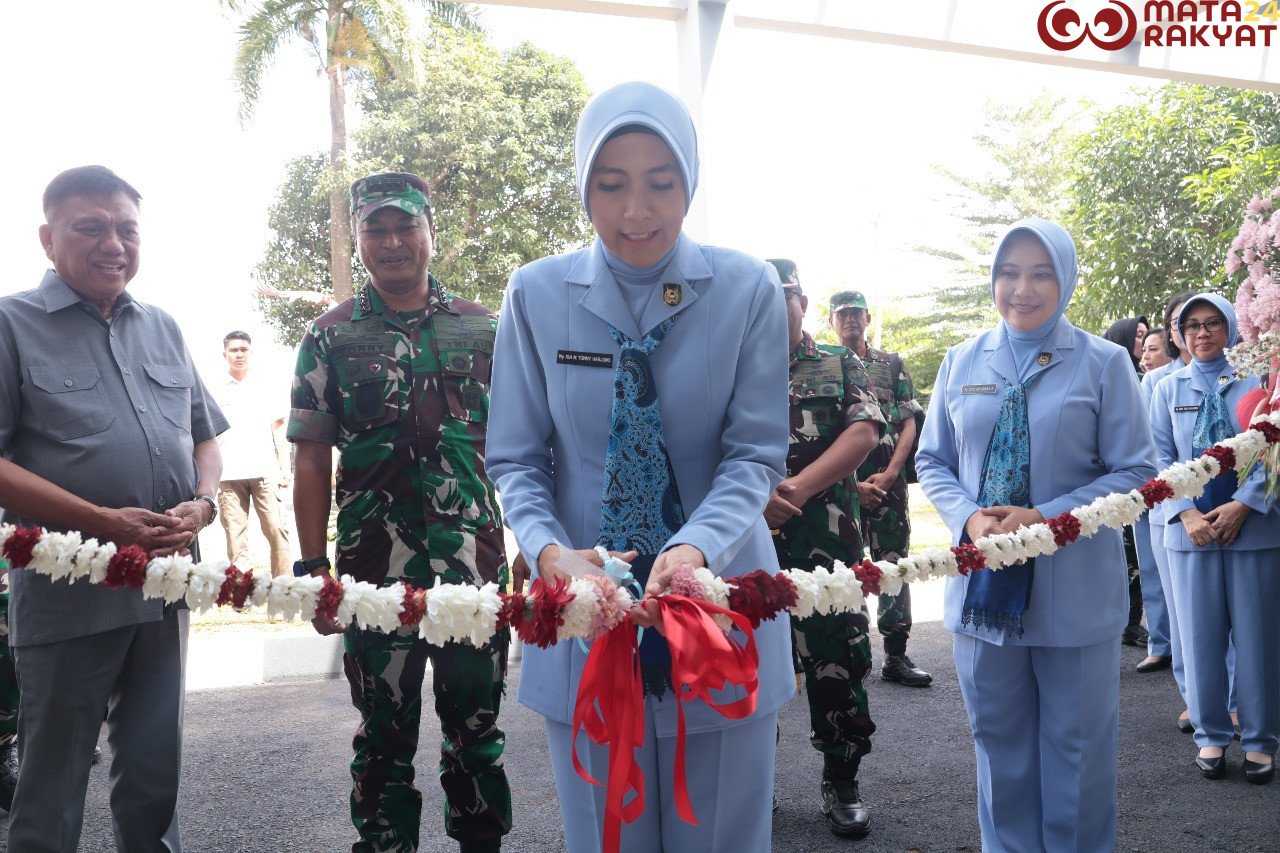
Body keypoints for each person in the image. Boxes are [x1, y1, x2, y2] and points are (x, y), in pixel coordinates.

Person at [487, 82, 793, 852]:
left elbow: (754, 452)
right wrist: (551, 554)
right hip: (588, 613)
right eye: (610, 183)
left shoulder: (745, 288)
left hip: (716, 604)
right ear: (582, 185)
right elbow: (517, 459)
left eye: (662, 182)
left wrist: (693, 550)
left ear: (691, 178)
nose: (636, 211)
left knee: (722, 833)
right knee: (606, 836)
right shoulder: (535, 293)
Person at [0, 165, 228, 851]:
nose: (113, 244)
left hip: (165, 589)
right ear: (48, 238)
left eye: (127, 229)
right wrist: (102, 522)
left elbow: (204, 435)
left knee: (155, 776)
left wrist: (204, 503)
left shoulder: (160, 326)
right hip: (72, 594)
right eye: (90, 228)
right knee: (53, 786)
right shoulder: (11, 324)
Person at [289, 172, 511, 853]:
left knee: (476, 724)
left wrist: (536, 540)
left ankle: (481, 840)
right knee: (383, 732)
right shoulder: (328, 337)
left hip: (471, 566)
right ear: (358, 239)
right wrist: (312, 567)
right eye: (375, 229)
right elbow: (309, 459)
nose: (391, 242)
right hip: (370, 572)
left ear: (430, 232)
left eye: (404, 226)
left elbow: (524, 446)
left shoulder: (485, 327)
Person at [916, 218, 1155, 851]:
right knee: (998, 746)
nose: (1022, 288)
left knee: (1077, 754)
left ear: (1066, 279)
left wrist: (1045, 517)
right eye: (1009, 272)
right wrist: (969, 516)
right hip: (984, 592)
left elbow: (1136, 470)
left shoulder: (1104, 364)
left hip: (1073, 591)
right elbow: (933, 460)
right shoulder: (961, 360)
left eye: (1041, 273)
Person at [766, 261, 884, 838]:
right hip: (749, 544)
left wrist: (793, 489)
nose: (770, 307)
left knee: (837, 657)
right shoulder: (729, 365)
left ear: (803, 301)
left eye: (782, 296)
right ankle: (752, 779)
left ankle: (842, 778)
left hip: (827, 542)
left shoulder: (839, 363)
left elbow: (863, 432)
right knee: (751, 662)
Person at [1150, 293, 1279, 784]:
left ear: (1230, 327)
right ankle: (1210, 734)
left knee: (1258, 639)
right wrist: (1185, 514)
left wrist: (1246, 504)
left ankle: (1261, 740)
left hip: (1255, 529)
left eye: (1212, 323)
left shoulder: (1260, 381)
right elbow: (1158, 457)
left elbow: (1273, 448)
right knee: (1198, 639)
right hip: (1192, 535)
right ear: (1181, 334)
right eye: (1192, 326)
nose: (1202, 333)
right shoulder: (1166, 388)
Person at [830, 289, 932, 687]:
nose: (850, 320)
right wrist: (851, 486)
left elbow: (908, 423)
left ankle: (896, 656)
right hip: (841, 491)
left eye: (857, 313)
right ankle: (847, 656)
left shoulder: (891, 365)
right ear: (831, 322)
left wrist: (890, 476)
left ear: (868, 319)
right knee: (845, 569)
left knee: (893, 565)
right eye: (843, 314)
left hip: (888, 486)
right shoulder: (825, 365)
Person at [214, 330, 292, 577]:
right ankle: (241, 591)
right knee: (235, 535)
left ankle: (284, 587)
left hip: (264, 471)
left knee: (277, 529)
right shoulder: (213, 389)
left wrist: (284, 467)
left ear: (251, 352)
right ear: (224, 354)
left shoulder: (265, 385)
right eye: (234, 350)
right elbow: (206, 435)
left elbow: (279, 428)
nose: (239, 354)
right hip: (229, 473)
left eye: (243, 350)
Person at [1102, 315, 1151, 650]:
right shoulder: (1113, 374)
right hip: (1111, 488)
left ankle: (1129, 622)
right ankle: (1121, 622)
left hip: (1137, 481)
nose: (1143, 344)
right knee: (1123, 557)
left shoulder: (1142, 376)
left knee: (1134, 560)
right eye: (1139, 336)